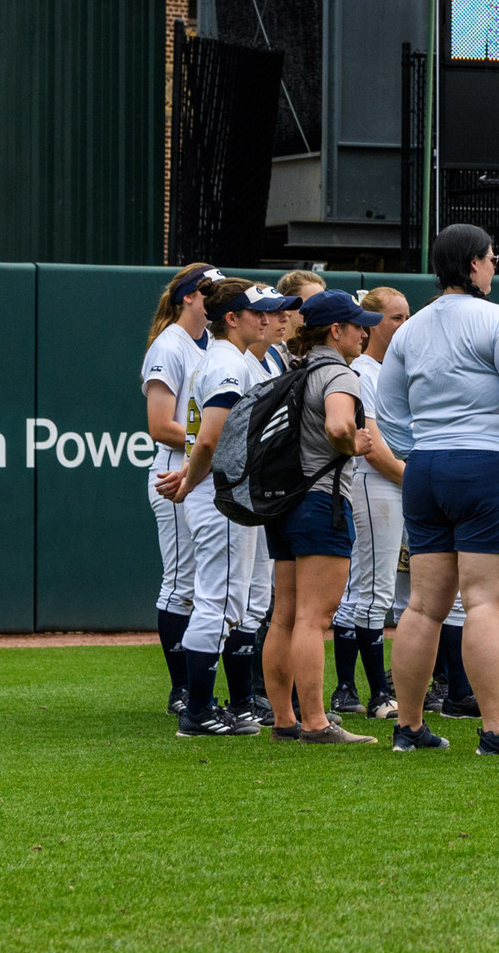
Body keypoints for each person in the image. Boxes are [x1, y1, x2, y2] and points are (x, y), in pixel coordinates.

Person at [380, 223, 499, 756]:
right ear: (475, 264)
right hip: (487, 466)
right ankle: (497, 732)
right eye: (492, 259)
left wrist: (432, 447)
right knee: (482, 603)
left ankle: (408, 729)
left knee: (423, 608)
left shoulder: (410, 330)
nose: (495, 267)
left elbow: (389, 415)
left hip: (427, 467)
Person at [157, 280, 298, 735]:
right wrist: (190, 480)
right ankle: (196, 711)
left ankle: (229, 706)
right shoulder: (223, 362)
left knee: (235, 601)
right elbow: (214, 438)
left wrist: (189, 476)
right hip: (224, 495)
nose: (267, 319)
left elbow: (207, 439)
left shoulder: (232, 359)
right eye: (257, 312)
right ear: (231, 318)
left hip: (228, 492)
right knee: (217, 602)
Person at [256, 290, 383, 743]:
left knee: (284, 617)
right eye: (357, 325)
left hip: (285, 503)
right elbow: (337, 426)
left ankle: (284, 720)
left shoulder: (298, 369)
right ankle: (314, 722)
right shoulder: (339, 374)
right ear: (336, 330)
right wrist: (356, 445)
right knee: (314, 618)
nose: (364, 332)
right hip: (321, 502)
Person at [140, 262, 219, 715]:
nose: (213, 296)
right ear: (187, 296)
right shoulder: (169, 345)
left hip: (199, 472)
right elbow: (158, 425)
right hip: (174, 476)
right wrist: (211, 439)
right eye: (207, 290)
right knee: (181, 585)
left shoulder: (207, 343)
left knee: (203, 586)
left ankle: (197, 686)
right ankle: (181, 690)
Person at [330, 288, 409, 718]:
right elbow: (373, 449)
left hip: (393, 481)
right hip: (374, 482)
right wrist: (415, 481)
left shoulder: (393, 369)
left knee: (366, 587)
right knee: (372, 589)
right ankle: (377, 692)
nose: (403, 325)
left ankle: (347, 688)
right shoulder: (362, 371)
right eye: (395, 318)